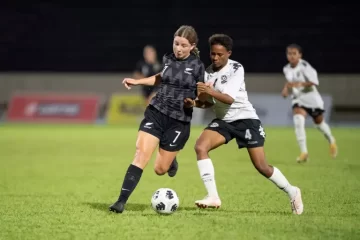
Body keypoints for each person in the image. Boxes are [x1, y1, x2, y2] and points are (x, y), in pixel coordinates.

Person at [189, 34, 304, 215]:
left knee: (261, 166)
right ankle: (213, 196)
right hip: (224, 121)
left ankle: (292, 191)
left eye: (219, 54)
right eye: (212, 54)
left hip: (246, 120)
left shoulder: (236, 68)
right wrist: (195, 101)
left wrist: (209, 89)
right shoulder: (208, 72)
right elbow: (209, 102)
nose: (215, 58)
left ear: (229, 53)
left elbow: (228, 99)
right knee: (200, 147)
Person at [109, 25, 205, 214]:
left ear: (192, 46)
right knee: (140, 155)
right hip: (157, 112)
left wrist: (192, 102)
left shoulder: (198, 67)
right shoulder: (168, 59)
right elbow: (161, 78)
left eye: (183, 45)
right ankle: (120, 202)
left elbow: (203, 98)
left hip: (179, 121)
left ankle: (171, 159)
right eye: (176, 43)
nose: (178, 48)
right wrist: (137, 81)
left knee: (160, 169)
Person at [282, 44, 338, 162]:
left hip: (311, 99)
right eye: (289, 53)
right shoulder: (286, 68)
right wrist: (286, 89)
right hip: (298, 99)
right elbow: (290, 82)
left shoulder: (305, 66)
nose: (291, 56)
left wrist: (299, 84)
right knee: (298, 121)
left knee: (319, 124)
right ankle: (304, 152)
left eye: (294, 53)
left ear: (300, 55)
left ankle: (331, 140)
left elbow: (314, 82)